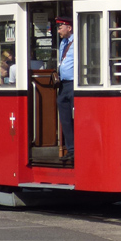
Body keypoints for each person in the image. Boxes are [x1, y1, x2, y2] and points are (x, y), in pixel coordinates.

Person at [55, 17, 75, 159]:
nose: (58, 31)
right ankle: (71, 149)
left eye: (60, 27)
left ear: (69, 27)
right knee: (65, 119)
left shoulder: (77, 41)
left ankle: (79, 148)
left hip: (74, 84)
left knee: (76, 117)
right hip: (63, 84)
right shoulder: (63, 42)